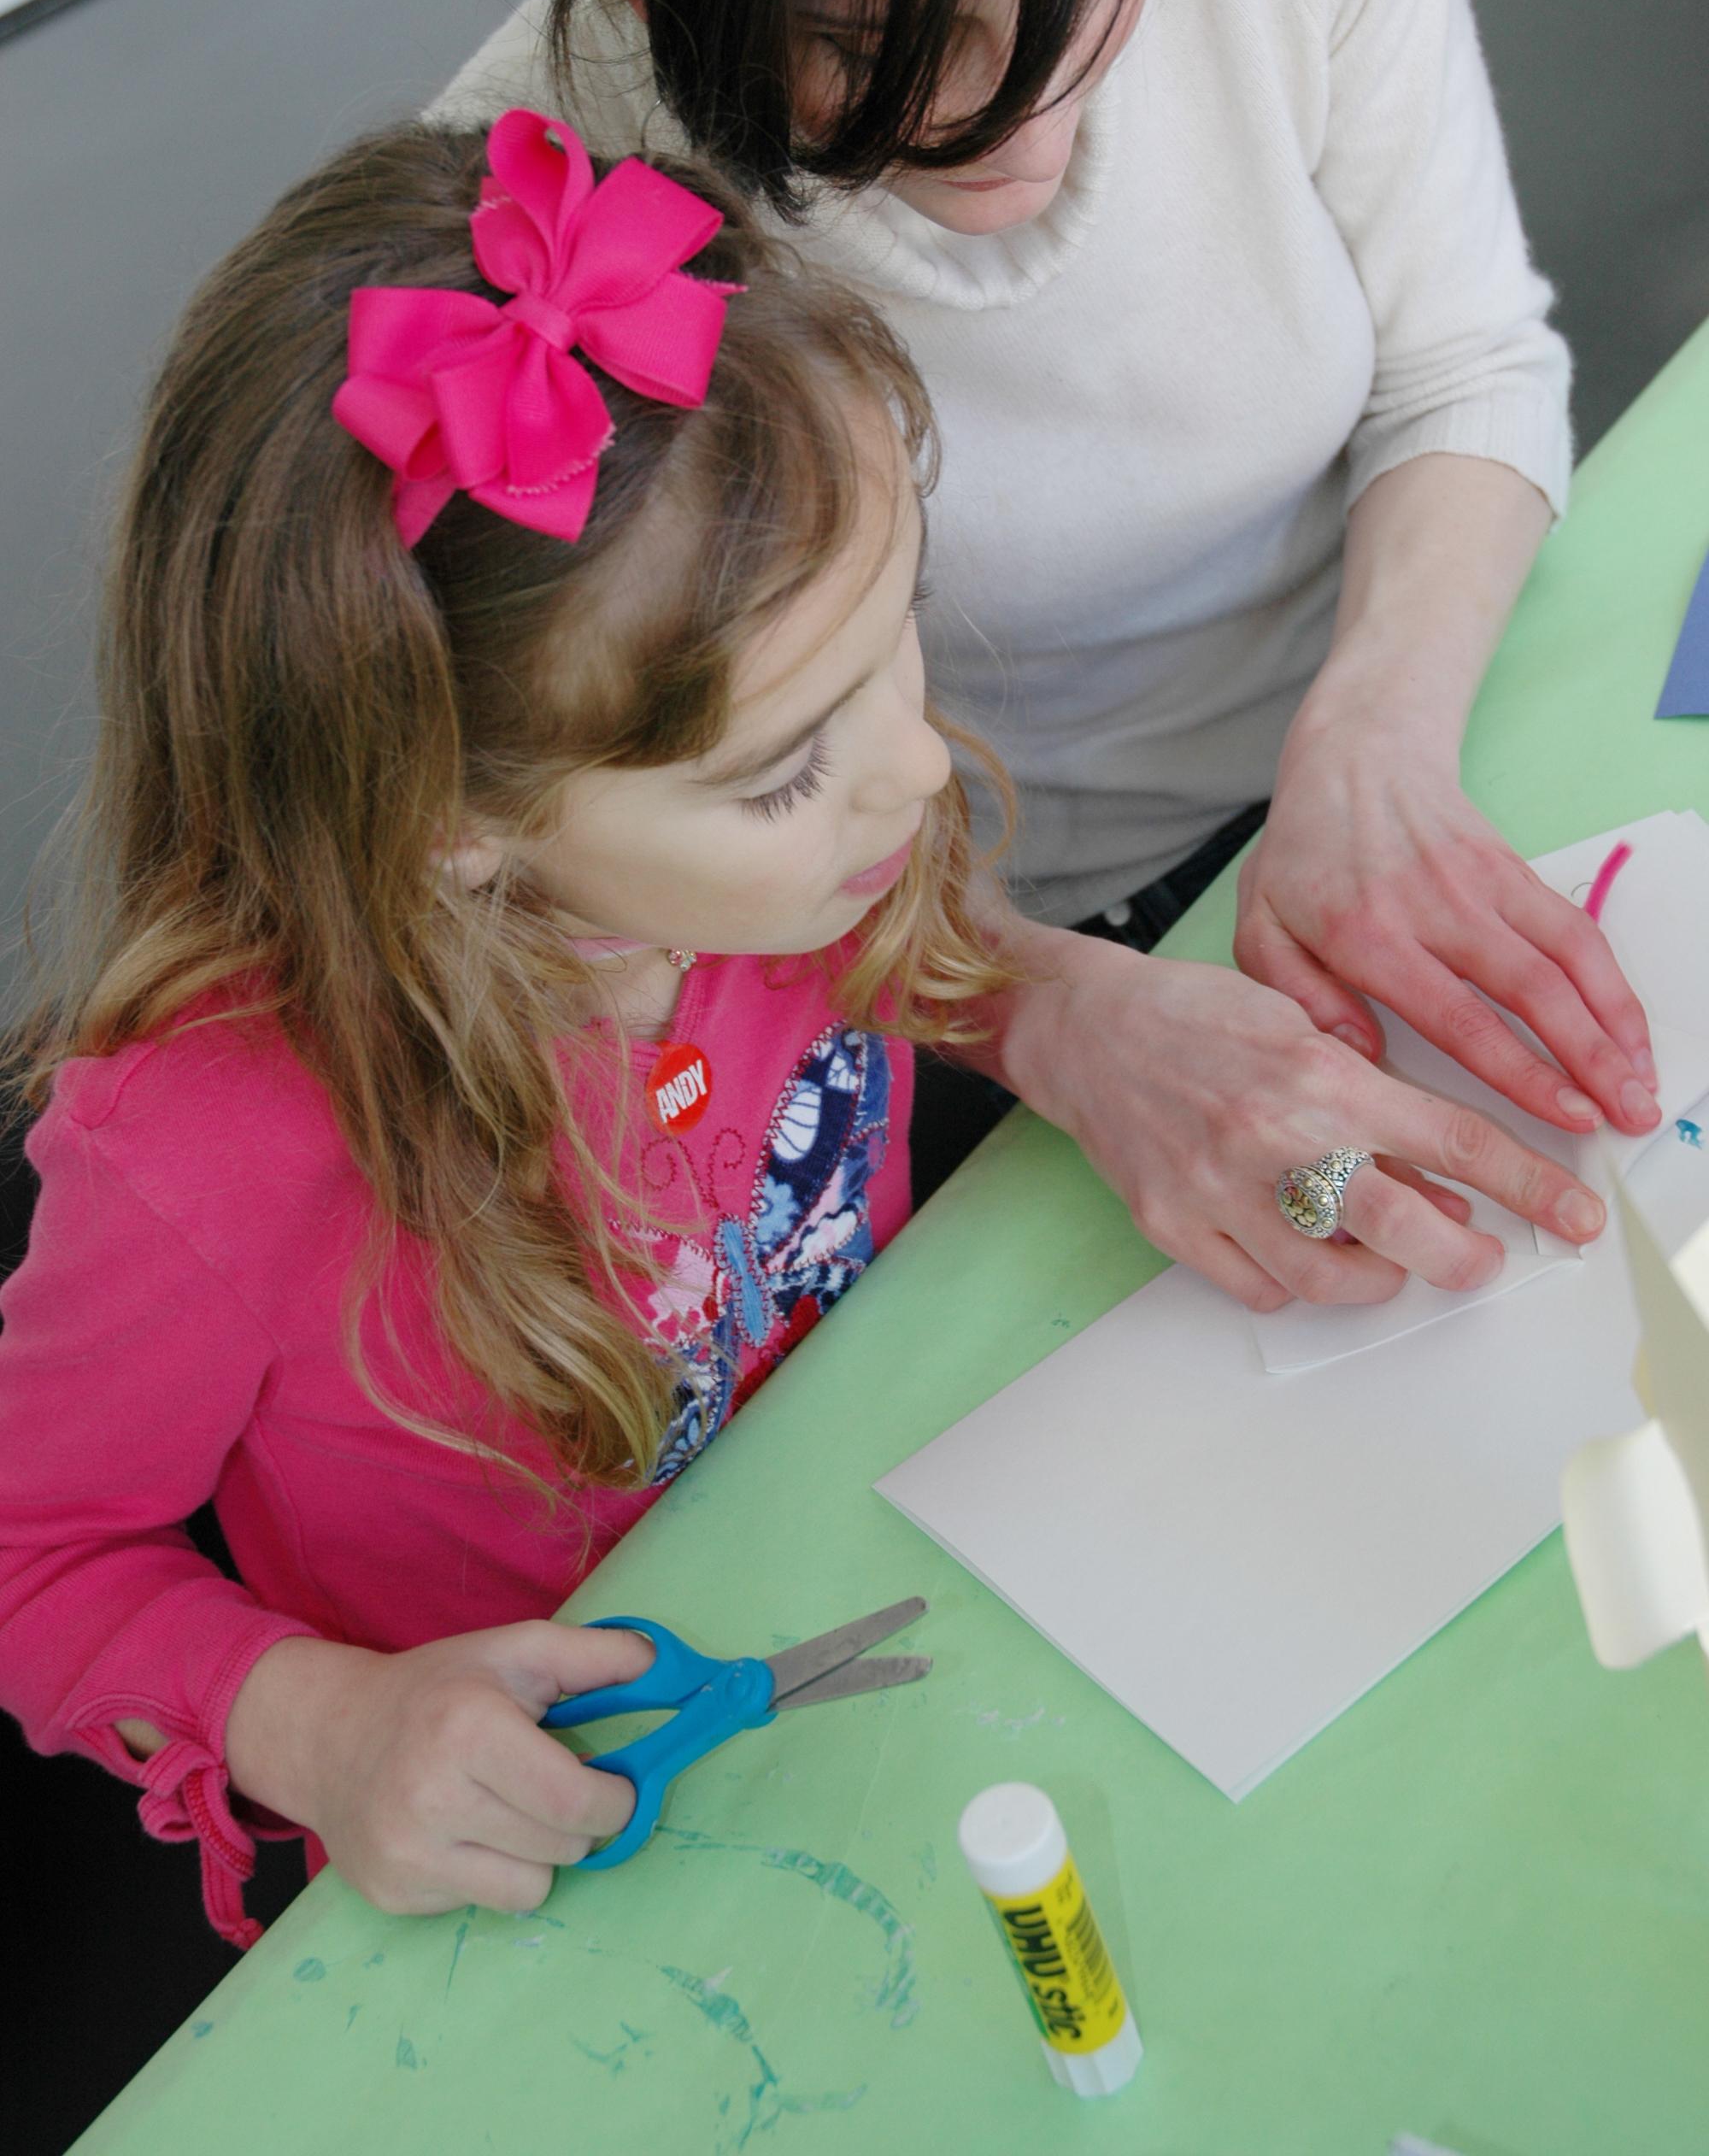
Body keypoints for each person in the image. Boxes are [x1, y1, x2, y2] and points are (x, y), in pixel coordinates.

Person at [438, 0, 1657, 1313]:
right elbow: (633, 853)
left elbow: (1462, 358)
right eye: (877, 49)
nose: (1036, 99)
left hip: (1412, 716)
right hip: (905, 955)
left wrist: (1373, 744)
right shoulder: (521, 239)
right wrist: (1048, 1007)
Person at [0, 108, 1015, 1939]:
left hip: (916, 1578)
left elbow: (914, 952)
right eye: (785, 774)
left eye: (901, 629)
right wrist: (321, 1720)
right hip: (560, 1863)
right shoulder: (202, 1164)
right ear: (456, 831)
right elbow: (31, 1556)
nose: (920, 768)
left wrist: (1078, 1002)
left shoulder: (781, 870)